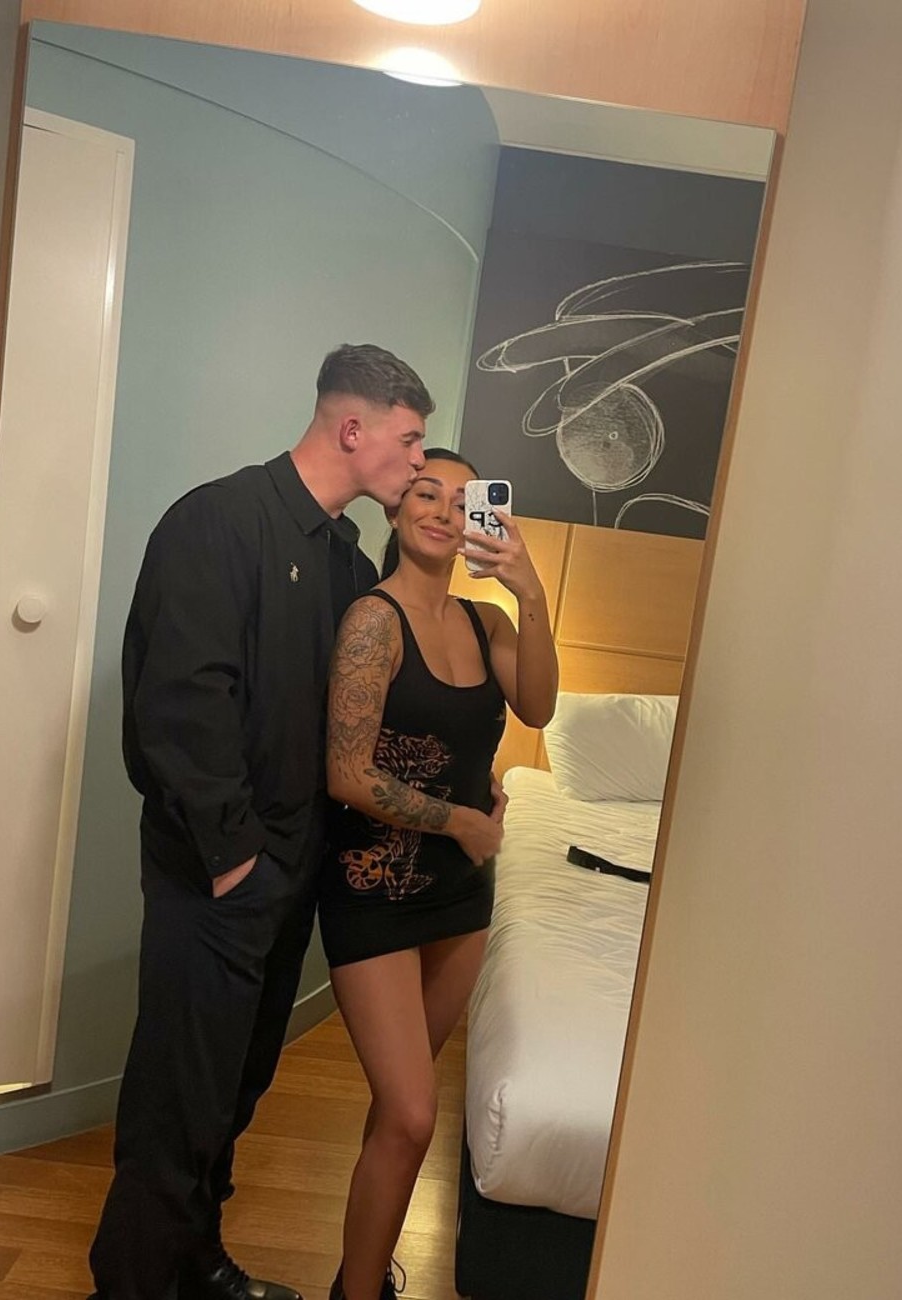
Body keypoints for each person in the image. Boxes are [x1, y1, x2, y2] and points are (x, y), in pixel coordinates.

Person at [88, 344, 433, 1300]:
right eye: (410, 440)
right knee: (177, 1099)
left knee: (233, 1091)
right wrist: (236, 859)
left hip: (289, 877)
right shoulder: (216, 521)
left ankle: (194, 1262)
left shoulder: (350, 565)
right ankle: (130, 1285)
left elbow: (355, 718)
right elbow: (180, 703)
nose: (418, 461)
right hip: (218, 875)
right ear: (352, 428)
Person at [319, 448, 559, 1300]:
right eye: (426, 494)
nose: (444, 512)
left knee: (399, 1109)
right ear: (395, 509)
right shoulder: (372, 621)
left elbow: (539, 707)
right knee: (415, 1112)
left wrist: (530, 594)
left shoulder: (488, 623)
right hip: (375, 892)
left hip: (461, 898)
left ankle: (361, 1274)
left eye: (463, 502)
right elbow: (347, 773)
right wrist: (462, 820)